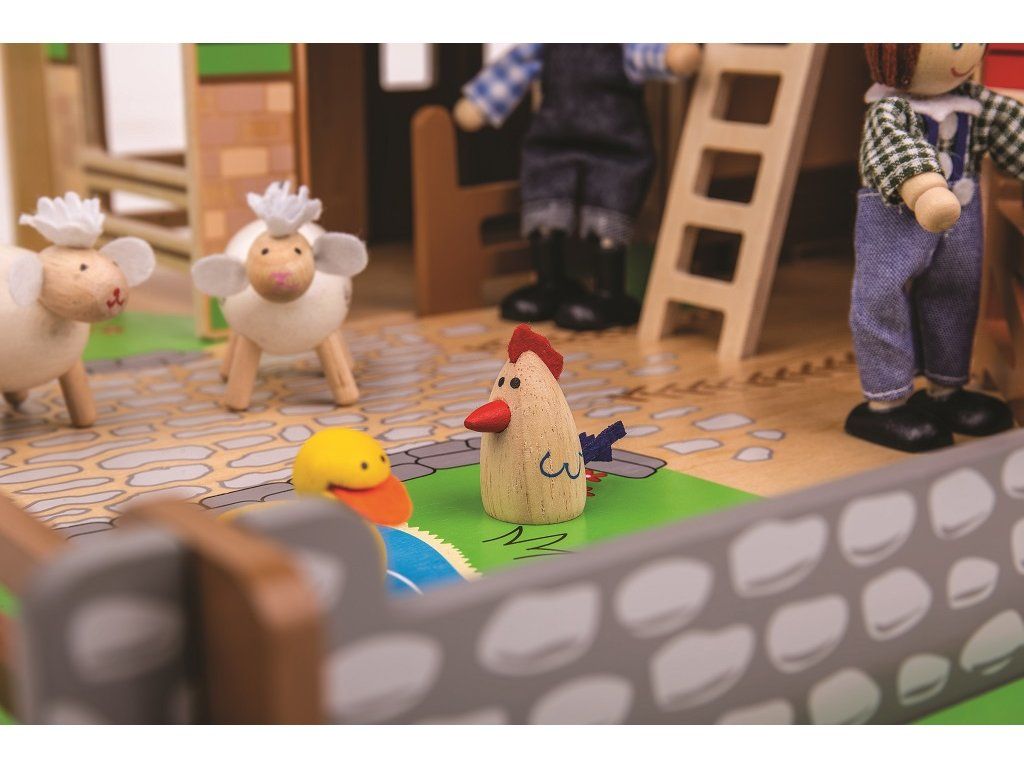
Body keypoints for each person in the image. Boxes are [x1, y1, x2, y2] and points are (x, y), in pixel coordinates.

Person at [846, 43, 1021, 452]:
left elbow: (1016, 131)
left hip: (960, 218)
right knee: (881, 298)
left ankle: (946, 388)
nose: (964, 52)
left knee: (956, 293)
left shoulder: (975, 103)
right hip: (894, 214)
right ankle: (885, 402)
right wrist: (925, 188)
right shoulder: (889, 111)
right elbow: (894, 149)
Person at [454, 43, 701, 330]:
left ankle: (610, 292)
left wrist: (672, 55)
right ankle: (550, 283)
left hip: (614, 145)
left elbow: (647, 52)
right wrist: (480, 103)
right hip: (553, 142)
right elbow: (516, 65)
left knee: (610, 212)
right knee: (545, 205)